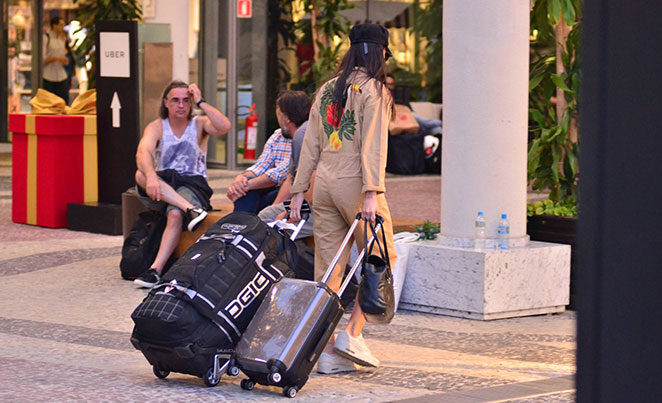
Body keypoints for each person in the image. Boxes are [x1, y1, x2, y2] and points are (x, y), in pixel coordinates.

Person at [289, 23, 398, 374]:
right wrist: (371, 193)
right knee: (382, 257)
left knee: (329, 270)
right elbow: (373, 146)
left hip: (324, 184)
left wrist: (296, 191)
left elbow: (310, 144)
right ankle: (351, 334)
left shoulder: (326, 89)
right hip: (356, 185)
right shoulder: (375, 91)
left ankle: (323, 352)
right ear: (379, 52)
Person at [133, 80, 231, 288]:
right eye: (175, 100)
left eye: (186, 101)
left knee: (175, 213)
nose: (181, 105)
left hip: (192, 183)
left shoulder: (199, 124)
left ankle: (154, 271)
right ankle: (191, 210)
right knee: (141, 175)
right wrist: (151, 176)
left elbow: (224, 126)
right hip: (165, 184)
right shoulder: (157, 126)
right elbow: (143, 152)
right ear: (165, 103)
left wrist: (201, 101)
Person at [227, 94, 297, 214]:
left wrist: (248, 185)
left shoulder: (304, 136)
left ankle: (243, 226)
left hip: (292, 190)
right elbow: (261, 166)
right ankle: (239, 226)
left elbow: (282, 173)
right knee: (247, 192)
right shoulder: (277, 136)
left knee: (253, 194)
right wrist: (242, 178)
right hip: (274, 186)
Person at [257, 91, 314, 236]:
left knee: (267, 221)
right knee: (269, 213)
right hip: (307, 199)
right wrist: (277, 207)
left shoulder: (303, 135)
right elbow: (291, 177)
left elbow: (315, 176)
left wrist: (289, 212)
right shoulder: (302, 133)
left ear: (287, 119)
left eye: (278, 116)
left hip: (317, 205)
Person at [42, 16, 69, 103]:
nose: (62, 27)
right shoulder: (46, 38)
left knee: (64, 101)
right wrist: (57, 59)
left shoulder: (62, 39)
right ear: (54, 25)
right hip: (48, 76)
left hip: (61, 75)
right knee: (50, 104)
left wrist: (64, 60)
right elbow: (43, 59)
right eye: (61, 24)